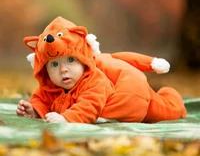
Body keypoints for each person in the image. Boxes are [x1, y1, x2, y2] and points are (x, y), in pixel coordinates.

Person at [16, 16, 187, 123]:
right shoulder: (50, 85)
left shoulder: (94, 80)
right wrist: (34, 110)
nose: (63, 70)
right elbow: (42, 99)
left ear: (83, 61)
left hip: (133, 95)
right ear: (44, 69)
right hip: (113, 102)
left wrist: (66, 118)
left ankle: (172, 96)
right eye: (54, 64)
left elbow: (90, 104)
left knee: (167, 110)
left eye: (70, 60)